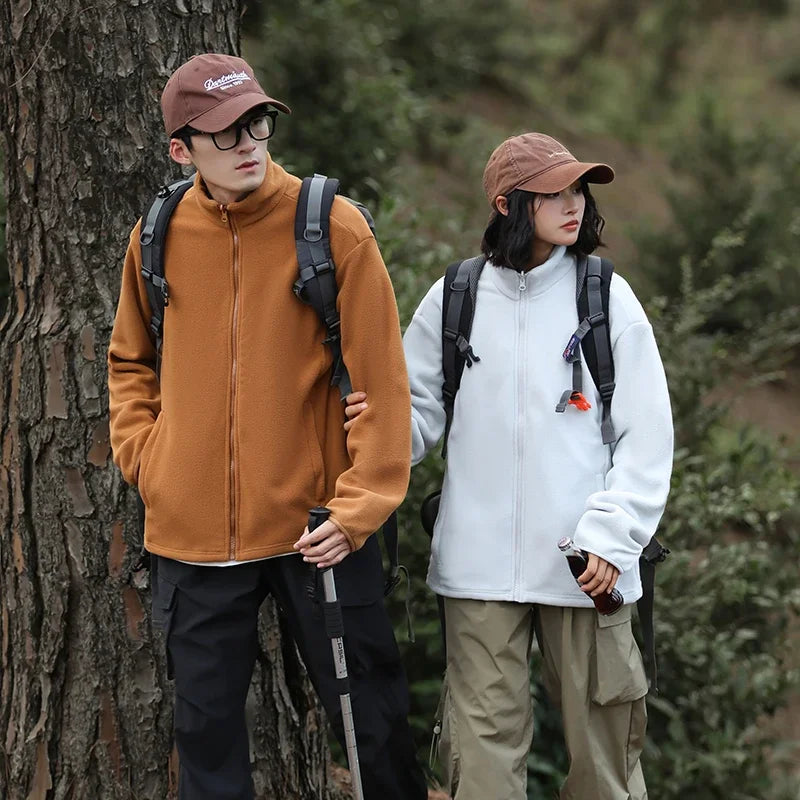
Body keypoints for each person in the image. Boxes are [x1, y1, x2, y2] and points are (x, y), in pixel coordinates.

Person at [107, 52, 427, 800]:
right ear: (180, 149)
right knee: (208, 748)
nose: (250, 141)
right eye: (225, 132)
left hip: (319, 529)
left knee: (372, 729)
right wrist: (150, 461)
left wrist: (358, 511)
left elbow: (382, 382)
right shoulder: (155, 234)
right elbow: (129, 363)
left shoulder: (333, 228)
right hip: (191, 537)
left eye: (257, 122)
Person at [345, 132, 674, 799]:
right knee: (480, 762)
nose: (573, 203)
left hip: (588, 565)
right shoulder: (456, 296)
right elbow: (417, 418)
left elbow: (647, 435)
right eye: (552, 192)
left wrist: (613, 537)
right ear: (506, 203)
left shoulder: (605, 296)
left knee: (605, 767)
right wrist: (368, 429)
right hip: (479, 566)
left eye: (577, 188)